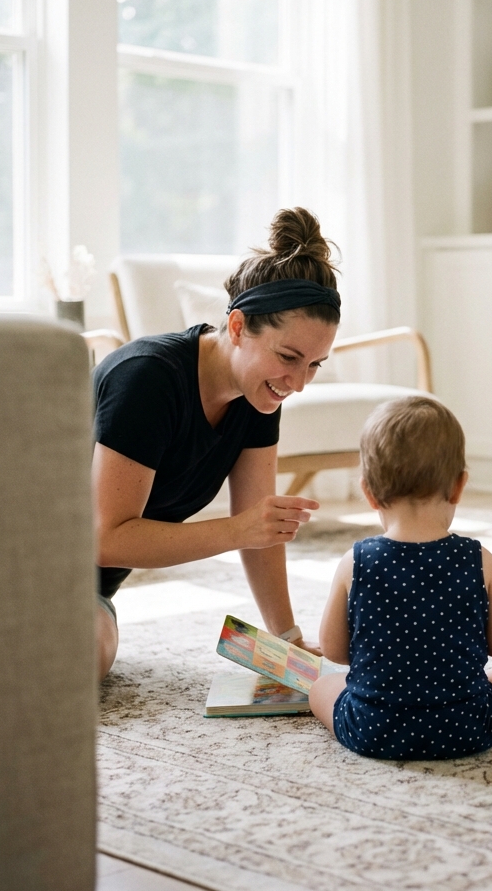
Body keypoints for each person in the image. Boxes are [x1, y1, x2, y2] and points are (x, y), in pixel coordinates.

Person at [93, 208, 341, 680]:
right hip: (19, 568)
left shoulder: (259, 394)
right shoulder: (147, 379)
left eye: (314, 365)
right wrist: (237, 531)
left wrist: (287, 641)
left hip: (86, 592)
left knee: (86, 657)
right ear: (237, 327)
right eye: (289, 357)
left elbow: (259, 526)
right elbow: (104, 539)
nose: (299, 383)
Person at [309, 396, 492, 760]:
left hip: (373, 730)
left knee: (321, 687)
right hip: (468, 726)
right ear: (459, 487)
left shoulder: (354, 562)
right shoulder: (480, 559)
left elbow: (334, 651)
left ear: (368, 493)